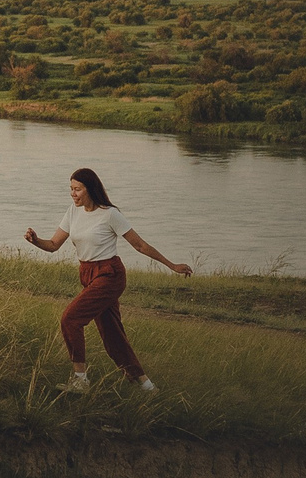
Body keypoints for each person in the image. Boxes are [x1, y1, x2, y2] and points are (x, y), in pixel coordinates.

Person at [24, 167, 191, 393]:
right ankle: (147, 387)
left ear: (90, 189)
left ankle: (80, 380)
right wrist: (35, 240)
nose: (73, 194)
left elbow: (140, 245)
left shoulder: (110, 214)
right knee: (113, 335)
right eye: (71, 189)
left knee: (70, 318)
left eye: (77, 189)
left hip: (109, 275)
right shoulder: (73, 212)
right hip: (87, 274)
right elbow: (53, 245)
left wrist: (172, 265)